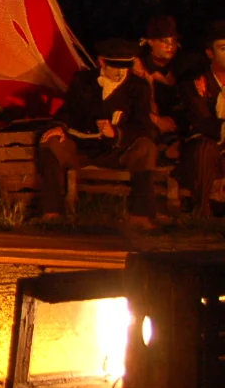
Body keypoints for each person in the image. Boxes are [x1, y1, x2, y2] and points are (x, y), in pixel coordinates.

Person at [37, 38, 161, 229]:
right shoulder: (83, 81)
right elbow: (68, 110)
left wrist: (117, 133)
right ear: (102, 62)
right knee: (51, 143)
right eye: (115, 66)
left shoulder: (138, 87)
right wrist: (59, 126)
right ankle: (52, 212)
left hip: (116, 151)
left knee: (146, 148)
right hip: (83, 147)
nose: (120, 72)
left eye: (125, 66)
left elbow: (143, 125)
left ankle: (141, 215)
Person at [177, 21, 225, 217]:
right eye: (223, 48)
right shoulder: (197, 81)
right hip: (207, 138)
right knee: (206, 149)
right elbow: (201, 119)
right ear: (210, 53)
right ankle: (203, 208)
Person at [134, 14, 183, 152]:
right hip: (150, 123)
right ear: (150, 42)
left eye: (173, 41)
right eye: (164, 41)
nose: (170, 46)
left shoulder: (181, 64)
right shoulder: (140, 67)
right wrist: (156, 120)